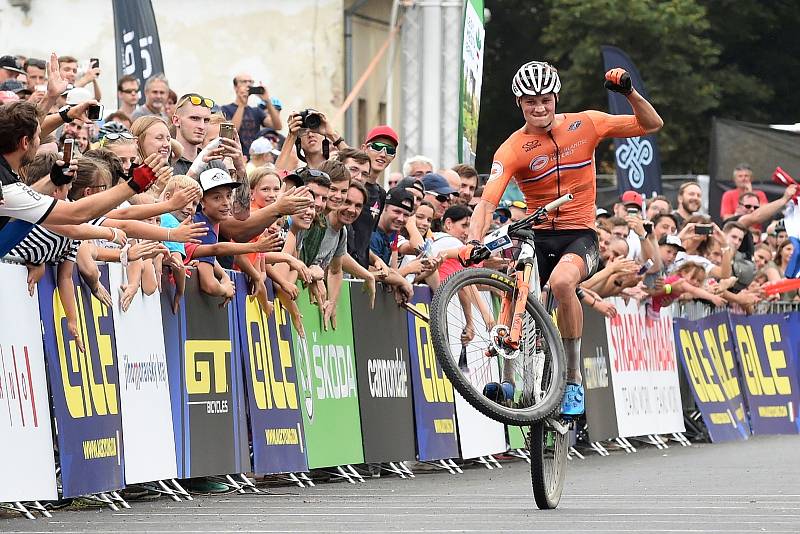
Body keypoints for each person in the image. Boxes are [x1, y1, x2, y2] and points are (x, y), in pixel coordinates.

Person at [466, 61, 663, 416]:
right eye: (530, 102)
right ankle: (510, 379)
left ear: (556, 97)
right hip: (537, 233)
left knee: (561, 283)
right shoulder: (512, 148)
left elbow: (652, 124)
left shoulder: (586, 123)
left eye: (545, 99)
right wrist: (472, 240)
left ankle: (572, 378)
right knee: (517, 287)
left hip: (579, 234)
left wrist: (629, 93)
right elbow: (487, 201)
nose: (539, 108)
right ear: (519, 104)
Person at [347, 125, 398, 269]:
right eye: (377, 146)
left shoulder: (381, 194)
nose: (383, 154)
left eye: (389, 150)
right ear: (364, 148)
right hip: (340, 268)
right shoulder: (347, 186)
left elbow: (363, 241)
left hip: (360, 273)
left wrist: (375, 260)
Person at [723, 186, 797, 259]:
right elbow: (755, 217)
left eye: (756, 208)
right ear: (738, 207)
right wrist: (784, 199)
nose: (752, 209)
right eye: (748, 206)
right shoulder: (733, 223)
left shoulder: (750, 232)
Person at [221, 74, 282, 156]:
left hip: (254, 158)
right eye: (244, 82)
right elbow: (229, 133)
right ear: (235, 87)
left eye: (251, 82)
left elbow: (277, 126)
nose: (248, 84)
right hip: (233, 156)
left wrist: (267, 100)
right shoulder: (225, 109)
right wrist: (242, 105)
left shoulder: (256, 111)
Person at [171, 93, 214, 175]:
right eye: (194, 118)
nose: (202, 126)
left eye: (206, 120)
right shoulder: (164, 163)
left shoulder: (214, 164)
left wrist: (240, 171)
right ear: (176, 121)